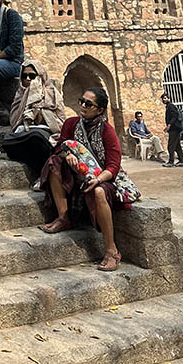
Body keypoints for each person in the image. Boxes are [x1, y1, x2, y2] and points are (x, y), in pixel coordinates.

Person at [40, 87, 123, 272]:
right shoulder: (71, 124)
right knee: (54, 162)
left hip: (101, 178)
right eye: (82, 101)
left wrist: (98, 179)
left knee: (99, 191)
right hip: (77, 176)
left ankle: (111, 250)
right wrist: (66, 154)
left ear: (100, 109)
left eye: (88, 104)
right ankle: (63, 217)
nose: (83, 106)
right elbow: (60, 145)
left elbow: (113, 166)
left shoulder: (107, 131)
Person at [9, 59, 67, 137]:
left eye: (32, 76)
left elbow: (60, 119)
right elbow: (14, 120)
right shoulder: (20, 94)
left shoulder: (51, 93)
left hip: (46, 131)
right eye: (24, 76)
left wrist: (39, 109)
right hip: (24, 130)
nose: (28, 79)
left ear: (40, 76)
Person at [162, 92, 183, 167]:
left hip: (174, 129)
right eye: (163, 98)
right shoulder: (168, 106)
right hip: (174, 129)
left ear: (169, 98)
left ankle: (171, 162)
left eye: (165, 98)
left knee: (171, 146)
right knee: (177, 146)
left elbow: (175, 116)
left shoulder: (171, 106)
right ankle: (181, 161)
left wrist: (169, 125)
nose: (164, 99)